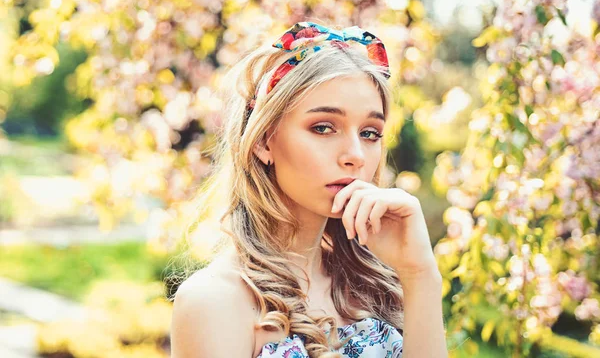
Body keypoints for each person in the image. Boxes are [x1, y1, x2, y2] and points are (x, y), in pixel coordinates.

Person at [170, 21, 448, 357]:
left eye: (370, 133)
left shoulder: (380, 286)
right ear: (263, 141)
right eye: (323, 127)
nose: (355, 156)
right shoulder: (215, 302)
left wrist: (420, 275)